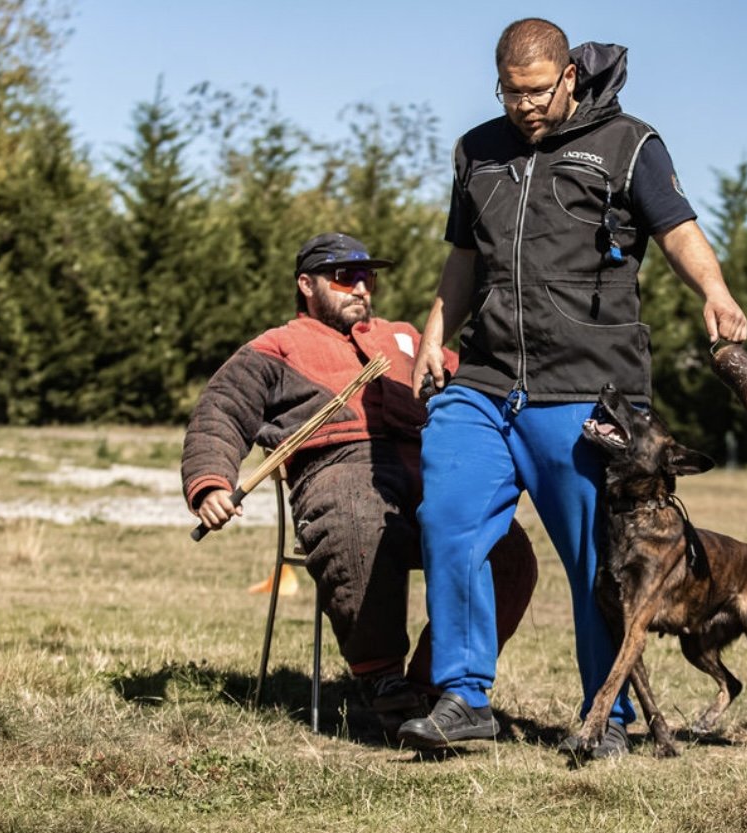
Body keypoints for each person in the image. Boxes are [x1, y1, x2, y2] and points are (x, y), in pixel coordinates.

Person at [398, 19, 747, 758]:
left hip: (590, 395)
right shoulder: (478, 150)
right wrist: (435, 330)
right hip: (486, 378)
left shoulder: (629, 144)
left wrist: (713, 292)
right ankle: (462, 697)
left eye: (536, 91)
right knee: (449, 517)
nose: (523, 106)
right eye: (510, 91)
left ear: (567, 77)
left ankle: (608, 716)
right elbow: (464, 256)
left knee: (603, 562)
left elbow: (678, 226)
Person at [181, 232, 538, 735]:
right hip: (336, 467)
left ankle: (441, 688)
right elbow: (220, 410)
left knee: (510, 551)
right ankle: (383, 680)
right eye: (344, 277)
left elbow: (477, 383)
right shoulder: (277, 346)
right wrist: (211, 483)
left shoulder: (410, 338)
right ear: (306, 284)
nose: (360, 288)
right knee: (355, 512)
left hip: (428, 467)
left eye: (367, 278)